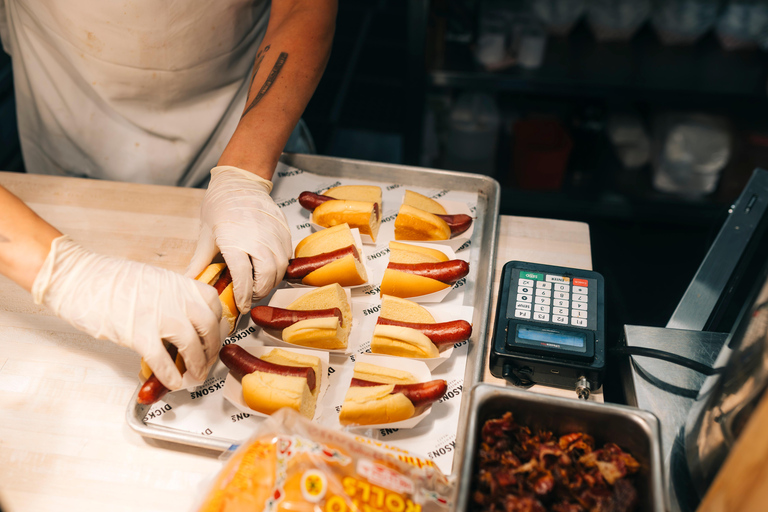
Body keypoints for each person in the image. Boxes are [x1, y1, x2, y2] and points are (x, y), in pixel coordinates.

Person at [0, 0, 338, 390]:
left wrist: (243, 174)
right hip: (65, 153)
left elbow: (303, 6)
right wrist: (66, 274)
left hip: (247, 126)